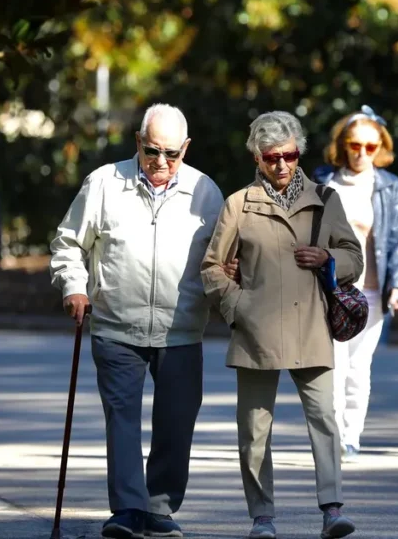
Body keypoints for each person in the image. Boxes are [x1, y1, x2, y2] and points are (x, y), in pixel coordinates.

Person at [50, 104, 224, 539]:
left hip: (181, 328)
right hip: (115, 324)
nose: (160, 162)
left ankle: (160, 509)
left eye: (171, 153)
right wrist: (74, 285)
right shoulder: (105, 184)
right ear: (137, 142)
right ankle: (128, 510)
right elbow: (69, 243)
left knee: (177, 420)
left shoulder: (206, 191)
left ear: (186, 148)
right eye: (151, 151)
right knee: (122, 420)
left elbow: (224, 258)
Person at [202, 111, 363, 539]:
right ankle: (263, 517)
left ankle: (332, 509)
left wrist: (329, 258)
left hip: (311, 325)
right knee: (254, 431)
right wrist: (239, 307)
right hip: (257, 333)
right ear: (257, 158)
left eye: (289, 155)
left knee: (325, 420)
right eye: (271, 157)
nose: (281, 165)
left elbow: (354, 256)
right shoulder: (238, 203)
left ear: (299, 153)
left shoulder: (326, 199)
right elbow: (213, 268)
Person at [311, 106, 398, 462]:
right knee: (332, 366)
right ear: (343, 144)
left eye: (371, 147)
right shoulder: (324, 182)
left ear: (381, 147)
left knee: (358, 367)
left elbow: (397, 240)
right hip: (331, 288)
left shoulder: (389, 186)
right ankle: (332, 436)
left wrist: (396, 285)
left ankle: (351, 436)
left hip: (373, 290)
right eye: (355, 145)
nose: (362, 153)